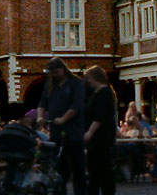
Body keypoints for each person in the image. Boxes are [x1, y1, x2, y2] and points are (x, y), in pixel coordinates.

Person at [37, 57, 86, 195]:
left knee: (78, 167)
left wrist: (64, 118)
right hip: (56, 132)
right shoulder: (50, 84)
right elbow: (42, 103)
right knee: (59, 167)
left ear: (63, 69)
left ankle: (81, 192)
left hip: (74, 132)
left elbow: (77, 106)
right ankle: (60, 191)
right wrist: (40, 117)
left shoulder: (75, 83)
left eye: (56, 71)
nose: (54, 75)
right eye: (51, 72)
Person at [83, 66, 117, 195]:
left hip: (100, 137)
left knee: (100, 167)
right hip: (100, 137)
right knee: (98, 168)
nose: (88, 82)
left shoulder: (103, 93)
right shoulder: (102, 93)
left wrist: (90, 132)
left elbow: (99, 116)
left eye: (89, 79)